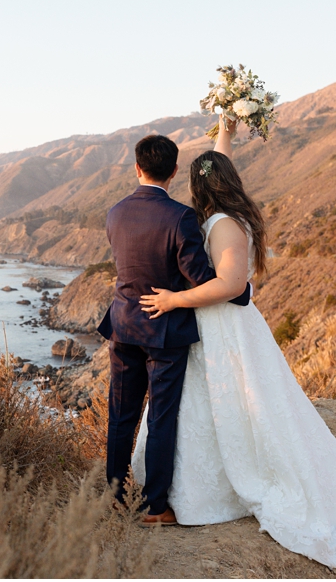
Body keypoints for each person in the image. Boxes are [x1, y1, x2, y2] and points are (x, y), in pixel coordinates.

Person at [132, 116, 336, 569]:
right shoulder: (220, 216)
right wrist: (224, 126)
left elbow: (231, 285)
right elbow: (218, 166)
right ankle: (191, 488)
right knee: (211, 407)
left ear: (201, 188)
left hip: (226, 327)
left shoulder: (223, 224)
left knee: (241, 404)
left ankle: (217, 489)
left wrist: (174, 299)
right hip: (210, 328)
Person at [97, 133, 250, 526]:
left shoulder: (115, 212)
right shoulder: (180, 217)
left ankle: (114, 497)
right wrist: (239, 290)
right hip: (165, 333)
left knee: (120, 415)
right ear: (175, 171)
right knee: (160, 417)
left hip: (123, 325)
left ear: (137, 167)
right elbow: (199, 277)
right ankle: (154, 507)